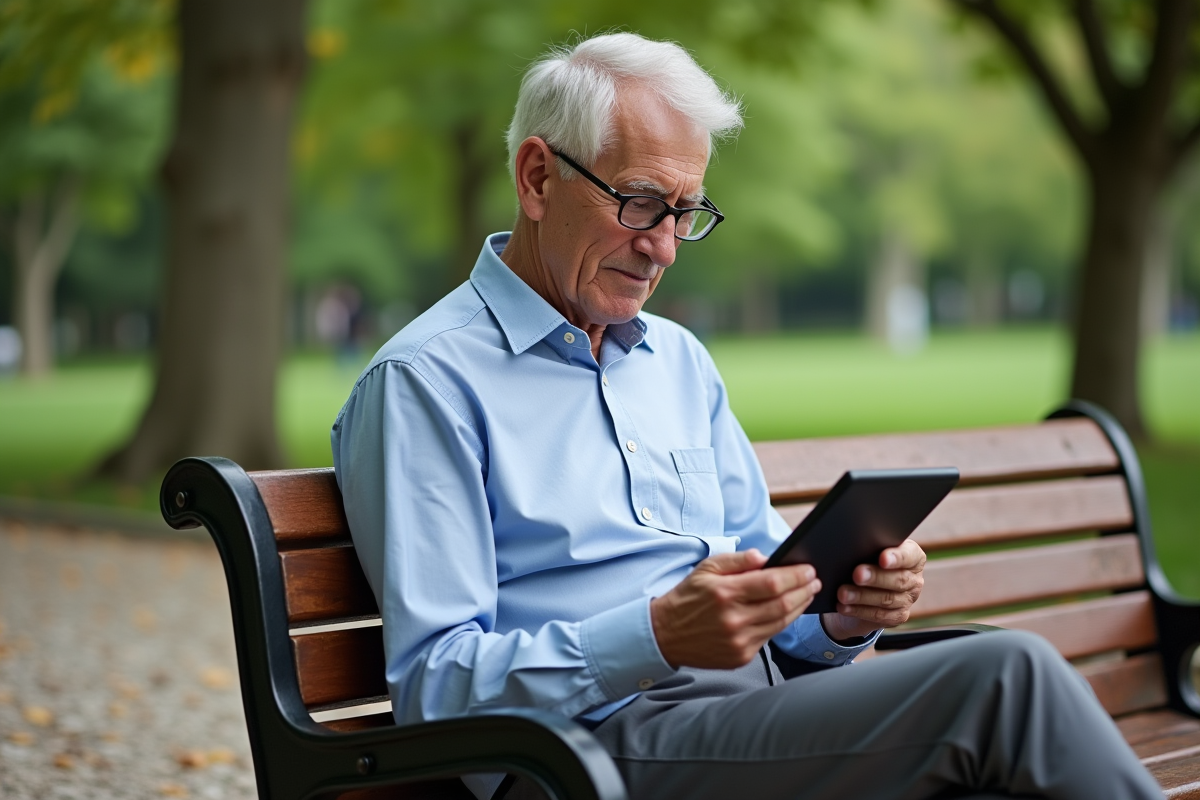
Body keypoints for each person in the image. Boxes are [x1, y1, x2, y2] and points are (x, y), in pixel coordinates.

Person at [331, 32, 1163, 800]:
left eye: (686, 213)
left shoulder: (678, 363)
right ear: (538, 177)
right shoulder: (425, 383)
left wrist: (840, 610)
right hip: (581, 759)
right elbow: (437, 687)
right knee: (1006, 680)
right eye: (642, 202)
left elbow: (770, 590)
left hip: (750, 720)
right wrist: (655, 634)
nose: (663, 244)